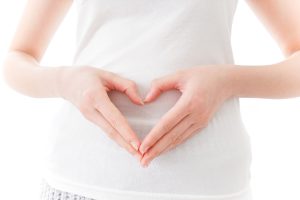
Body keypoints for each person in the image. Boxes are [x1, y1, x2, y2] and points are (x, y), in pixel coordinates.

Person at [2, 0, 300, 200]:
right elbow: (17, 59)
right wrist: (66, 82)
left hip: (207, 186)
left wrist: (226, 81)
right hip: (82, 180)